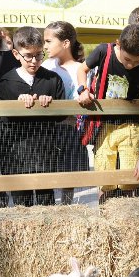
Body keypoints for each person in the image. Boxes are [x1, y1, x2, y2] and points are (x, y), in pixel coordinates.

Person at [76, 24, 139, 200]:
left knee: (131, 179)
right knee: (105, 179)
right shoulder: (104, 51)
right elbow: (82, 69)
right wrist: (83, 89)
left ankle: (130, 220)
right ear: (118, 44)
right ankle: (104, 216)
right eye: (127, 59)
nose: (131, 65)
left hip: (130, 126)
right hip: (103, 124)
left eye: (137, 61)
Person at [0, 26, 65, 207]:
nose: (34, 61)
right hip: (17, 153)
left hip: (45, 152)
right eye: (28, 56)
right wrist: (16, 105)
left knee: (46, 202)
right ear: (16, 54)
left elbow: (62, 115)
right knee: (21, 204)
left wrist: (51, 106)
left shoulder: (53, 79)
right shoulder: (6, 82)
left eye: (39, 55)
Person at [42, 21, 89, 204]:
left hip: (70, 128)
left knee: (68, 171)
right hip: (46, 127)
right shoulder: (45, 65)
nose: (45, 46)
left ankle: (66, 207)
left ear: (66, 43)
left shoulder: (82, 69)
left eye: (48, 41)